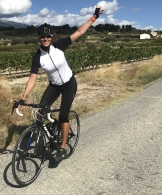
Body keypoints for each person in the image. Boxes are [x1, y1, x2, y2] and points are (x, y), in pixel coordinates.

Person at [19, 6, 103, 162]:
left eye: (48, 36)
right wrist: (24, 97)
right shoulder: (38, 56)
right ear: (39, 38)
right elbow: (32, 78)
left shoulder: (59, 46)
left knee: (64, 114)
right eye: (42, 37)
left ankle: (62, 148)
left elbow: (79, 32)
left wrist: (93, 17)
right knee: (41, 111)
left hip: (69, 84)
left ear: (51, 37)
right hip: (54, 86)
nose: (45, 39)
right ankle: (53, 128)